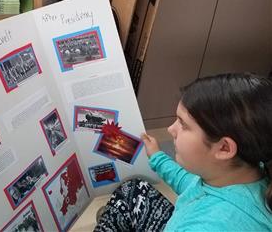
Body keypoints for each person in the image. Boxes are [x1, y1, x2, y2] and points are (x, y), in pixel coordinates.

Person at [94, 73, 272, 231]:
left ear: (224, 148)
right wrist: (157, 157)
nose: (171, 129)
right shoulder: (245, 174)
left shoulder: (206, 226)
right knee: (133, 188)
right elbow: (191, 185)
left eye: (183, 124)